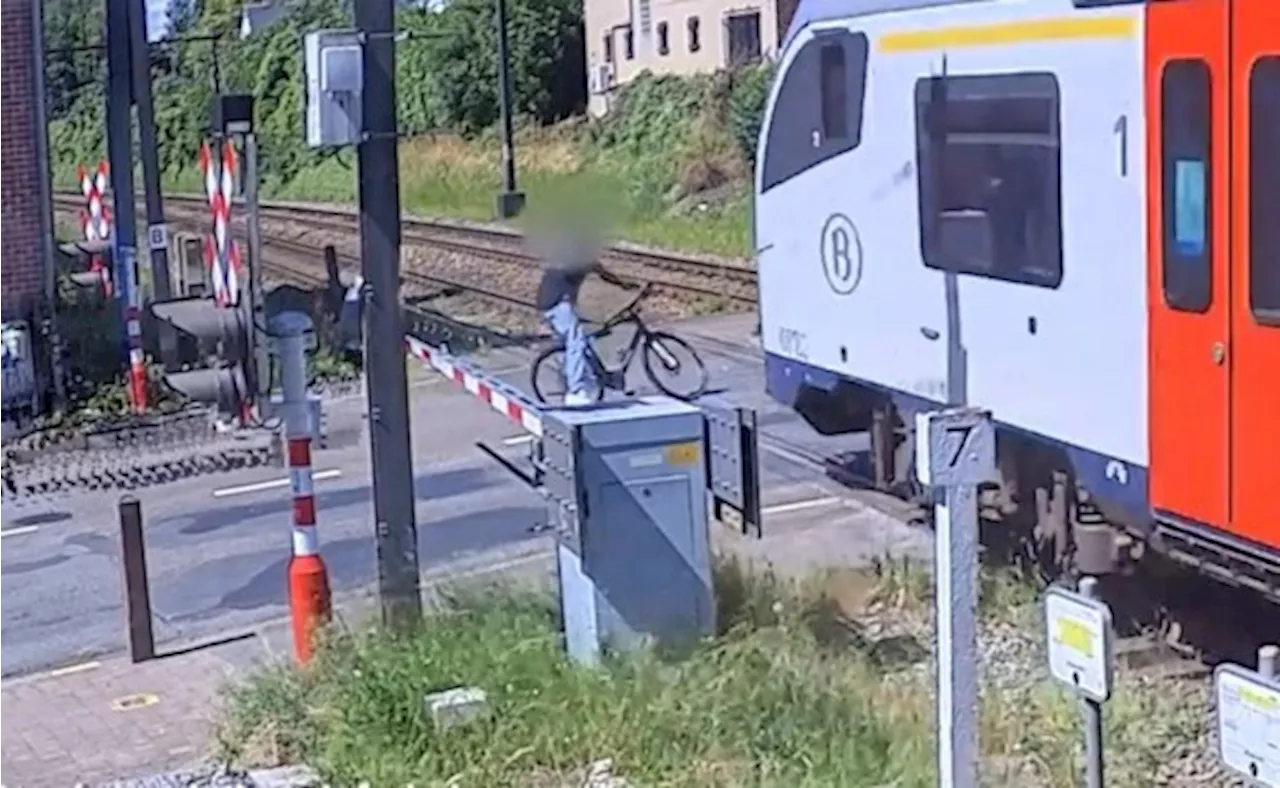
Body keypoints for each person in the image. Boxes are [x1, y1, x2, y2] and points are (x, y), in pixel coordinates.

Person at [536, 240, 637, 405]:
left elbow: (605, 274)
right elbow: (596, 271)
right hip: (557, 304)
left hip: (550, 304)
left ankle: (599, 379)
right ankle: (576, 390)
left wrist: (625, 285)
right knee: (576, 343)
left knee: (587, 338)